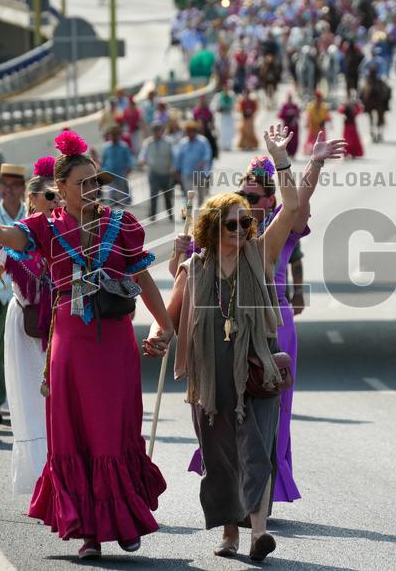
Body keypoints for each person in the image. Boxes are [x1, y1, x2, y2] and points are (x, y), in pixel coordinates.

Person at [0, 129, 174, 559]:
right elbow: (4, 236)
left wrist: (164, 325)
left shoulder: (122, 224)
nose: (90, 190)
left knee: (115, 427)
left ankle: (124, 520)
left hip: (114, 340)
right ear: (59, 189)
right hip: (68, 338)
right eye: (80, 183)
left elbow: (141, 280)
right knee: (77, 431)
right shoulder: (44, 227)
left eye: (94, 182)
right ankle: (88, 532)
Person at [166, 124, 299, 563]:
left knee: (258, 447)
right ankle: (229, 534)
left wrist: (280, 158)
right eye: (233, 223)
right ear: (212, 228)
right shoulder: (195, 266)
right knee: (220, 457)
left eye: (247, 222)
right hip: (210, 370)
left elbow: (294, 205)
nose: (243, 228)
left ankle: (259, 532)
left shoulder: (260, 254)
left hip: (257, 364)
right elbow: (172, 312)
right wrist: (154, 337)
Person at [0, 159, 59, 494]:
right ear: (33, 199)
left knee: (62, 401)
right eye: (50, 195)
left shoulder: (68, 233)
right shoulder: (13, 236)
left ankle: (65, 472)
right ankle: (40, 476)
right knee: (31, 401)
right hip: (26, 328)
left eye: (59, 195)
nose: (56, 202)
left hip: (63, 325)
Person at [0, 164, 29, 415]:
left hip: (22, 293)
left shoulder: (30, 216)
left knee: (15, 350)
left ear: (23, 188)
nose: (8, 190)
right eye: (4, 185)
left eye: (14, 186)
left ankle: (13, 399)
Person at [138, 123, 176, 223]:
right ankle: (153, 215)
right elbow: (143, 154)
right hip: (153, 172)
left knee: (167, 195)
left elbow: (174, 155)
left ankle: (170, 214)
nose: (156, 132)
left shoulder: (168, 142)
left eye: (158, 130)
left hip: (166, 173)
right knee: (153, 194)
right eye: (154, 130)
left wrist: (174, 167)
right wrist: (141, 160)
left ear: (162, 131)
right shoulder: (148, 143)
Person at [174, 121, 213, 204]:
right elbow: (178, 157)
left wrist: (203, 162)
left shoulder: (203, 141)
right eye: (188, 132)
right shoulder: (183, 143)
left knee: (201, 194)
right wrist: (176, 170)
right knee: (188, 194)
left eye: (191, 131)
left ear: (195, 132)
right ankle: (188, 213)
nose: (190, 134)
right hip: (186, 172)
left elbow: (208, 153)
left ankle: (200, 213)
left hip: (200, 172)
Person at [100, 128, 136, 207]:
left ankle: (124, 205)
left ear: (119, 136)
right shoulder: (106, 147)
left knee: (122, 191)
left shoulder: (123, 146)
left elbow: (129, 159)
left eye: (115, 135)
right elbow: (103, 159)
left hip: (121, 172)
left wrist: (129, 168)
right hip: (110, 173)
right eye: (112, 135)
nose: (113, 137)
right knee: (111, 191)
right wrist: (102, 169)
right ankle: (113, 205)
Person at [193, 94, 218, 161]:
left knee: (211, 139)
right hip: (198, 129)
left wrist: (211, 125)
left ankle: (213, 154)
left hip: (206, 128)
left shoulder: (208, 110)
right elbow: (194, 119)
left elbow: (211, 119)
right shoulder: (196, 110)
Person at [304, 90, 329, 155]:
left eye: (319, 99)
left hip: (321, 127)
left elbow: (327, 117)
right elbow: (308, 116)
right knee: (311, 141)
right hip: (313, 127)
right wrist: (307, 122)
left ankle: (321, 152)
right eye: (317, 99)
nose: (318, 100)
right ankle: (311, 152)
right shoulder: (311, 106)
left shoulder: (324, 106)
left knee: (322, 140)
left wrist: (327, 121)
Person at [211, 88, 235, 152]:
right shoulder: (219, 96)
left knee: (229, 131)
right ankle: (221, 146)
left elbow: (234, 105)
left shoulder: (231, 95)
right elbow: (214, 107)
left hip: (229, 116)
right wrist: (219, 109)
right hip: (221, 117)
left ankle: (228, 145)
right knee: (221, 130)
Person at [278, 92, 301, 158]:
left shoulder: (295, 106)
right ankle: (287, 152)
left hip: (294, 126)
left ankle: (293, 153)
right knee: (286, 139)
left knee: (294, 140)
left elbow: (298, 115)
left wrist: (294, 119)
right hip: (287, 125)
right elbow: (280, 115)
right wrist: (287, 114)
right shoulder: (284, 106)